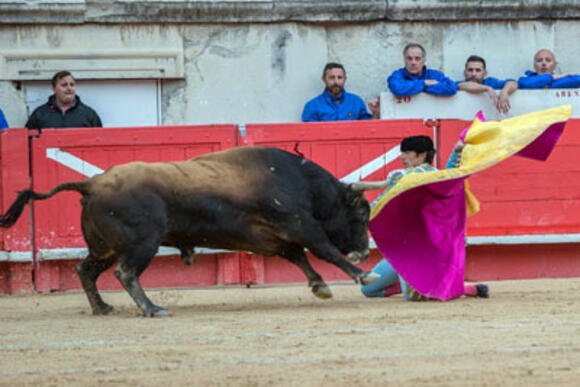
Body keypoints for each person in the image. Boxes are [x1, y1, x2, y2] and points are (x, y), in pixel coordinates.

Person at [360, 135, 489, 301]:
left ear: (421, 156)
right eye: (402, 153)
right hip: (403, 249)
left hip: (424, 250)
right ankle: (408, 283)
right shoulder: (411, 177)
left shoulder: (405, 177)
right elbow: (449, 175)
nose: (402, 157)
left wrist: (457, 153)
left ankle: (469, 289)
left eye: (407, 152)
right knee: (368, 289)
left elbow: (450, 176)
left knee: (413, 296)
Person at [302, 62, 378, 122]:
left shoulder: (356, 102)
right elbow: (309, 136)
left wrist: (375, 112)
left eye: (340, 77)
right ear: (324, 79)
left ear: (345, 79)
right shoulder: (312, 106)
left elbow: (367, 130)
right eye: (332, 78)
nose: (336, 82)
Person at [25, 71, 102, 130]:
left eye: (72, 85)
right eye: (64, 85)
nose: (69, 88)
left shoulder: (89, 114)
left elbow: (100, 142)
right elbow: (27, 142)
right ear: (54, 89)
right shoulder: (40, 114)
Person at [387, 44, 457, 97]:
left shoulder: (434, 75)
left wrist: (414, 88)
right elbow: (398, 89)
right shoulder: (397, 75)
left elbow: (451, 88)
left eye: (417, 59)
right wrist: (424, 83)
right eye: (409, 58)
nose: (413, 62)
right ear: (404, 60)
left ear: (423, 61)